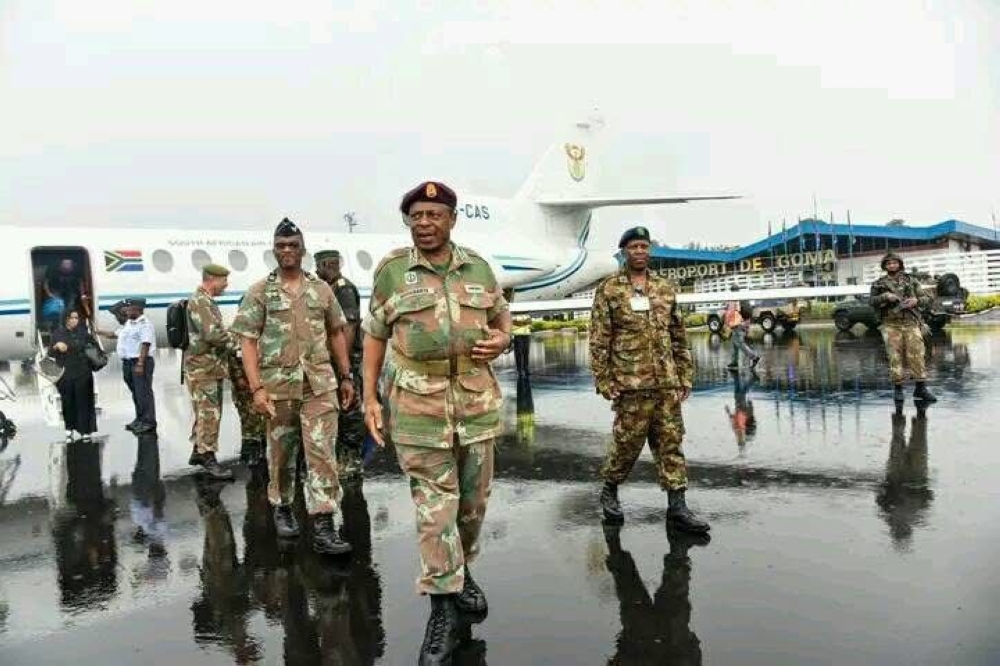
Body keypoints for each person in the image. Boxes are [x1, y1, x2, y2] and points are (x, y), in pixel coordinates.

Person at [362, 181, 510, 665]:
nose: (425, 223)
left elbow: (502, 319)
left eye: (434, 214)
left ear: (452, 219)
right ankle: (443, 608)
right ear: (408, 221)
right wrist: (368, 397)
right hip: (417, 405)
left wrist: (502, 341)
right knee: (434, 510)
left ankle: (460, 570)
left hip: (474, 400)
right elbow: (375, 337)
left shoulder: (480, 267)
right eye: (416, 215)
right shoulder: (391, 272)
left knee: (471, 506)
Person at [231, 217, 356, 556]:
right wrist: (256, 389)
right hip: (278, 388)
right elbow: (247, 341)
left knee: (322, 453)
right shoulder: (260, 292)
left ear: (303, 250)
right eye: (281, 246)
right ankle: (283, 506)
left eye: (293, 246)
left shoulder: (321, 290)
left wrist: (346, 376)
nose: (287, 251)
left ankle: (324, 523)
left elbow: (335, 333)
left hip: (319, 384)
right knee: (282, 454)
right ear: (275, 250)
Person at [590, 226, 709, 534]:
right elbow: (600, 339)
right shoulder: (609, 289)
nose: (639, 251)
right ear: (624, 252)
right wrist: (604, 380)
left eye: (644, 246)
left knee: (671, 443)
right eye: (633, 247)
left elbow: (677, 335)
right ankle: (610, 490)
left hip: (666, 382)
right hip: (631, 384)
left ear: (649, 250)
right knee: (627, 444)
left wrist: (685, 376)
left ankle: (677, 507)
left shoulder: (665, 288)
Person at [315, 249, 366, 481]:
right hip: (334, 360)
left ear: (327, 265)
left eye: (321, 266)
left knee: (350, 407)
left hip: (346, 360)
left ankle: (352, 459)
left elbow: (348, 328)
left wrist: (341, 364)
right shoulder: (327, 288)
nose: (318, 271)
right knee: (337, 407)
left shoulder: (343, 289)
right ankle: (341, 455)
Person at [184, 264, 235, 481]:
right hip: (203, 368)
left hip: (206, 366)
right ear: (212, 279)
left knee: (204, 411)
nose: (226, 285)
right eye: (224, 280)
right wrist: (236, 342)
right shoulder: (201, 302)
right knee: (209, 413)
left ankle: (198, 450)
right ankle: (208, 456)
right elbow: (213, 335)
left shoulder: (202, 300)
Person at [870, 252, 937, 404]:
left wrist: (916, 301)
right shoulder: (879, 284)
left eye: (895, 262)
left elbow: (928, 299)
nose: (892, 265)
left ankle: (921, 388)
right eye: (889, 263)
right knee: (894, 356)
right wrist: (885, 297)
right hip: (891, 324)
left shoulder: (911, 281)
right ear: (885, 266)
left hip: (911, 322)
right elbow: (871, 302)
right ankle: (898, 389)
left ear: (900, 264)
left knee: (917, 354)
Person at [49, 310, 99, 441]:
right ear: (66, 319)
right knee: (68, 403)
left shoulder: (84, 333)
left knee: (84, 402)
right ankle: (69, 428)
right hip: (65, 374)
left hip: (83, 372)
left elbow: (94, 348)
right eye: (72, 318)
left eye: (77, 318)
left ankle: (85, 430)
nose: (75, 320)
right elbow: (50, 353)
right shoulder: (58, 334)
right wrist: (56, 346)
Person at [227, 326, 267, 467]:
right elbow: (232, 361)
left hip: (260, 386)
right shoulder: (236, 335)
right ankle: (250, 453)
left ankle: (262, 449)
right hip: (243, 389)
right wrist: (241, 381)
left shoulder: (265, 332)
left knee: (263, 420)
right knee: (249, 421)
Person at [725, 286, 759, 371]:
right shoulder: (743, 298)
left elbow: (731, 313)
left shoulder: (735, 300)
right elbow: (748, 313)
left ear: (732, 291)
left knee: (740, 343)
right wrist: (747, 326)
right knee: (734, 344)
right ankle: (734, 362)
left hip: (737, 324)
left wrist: (727, 323)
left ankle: (754, 357)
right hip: (742, 323)